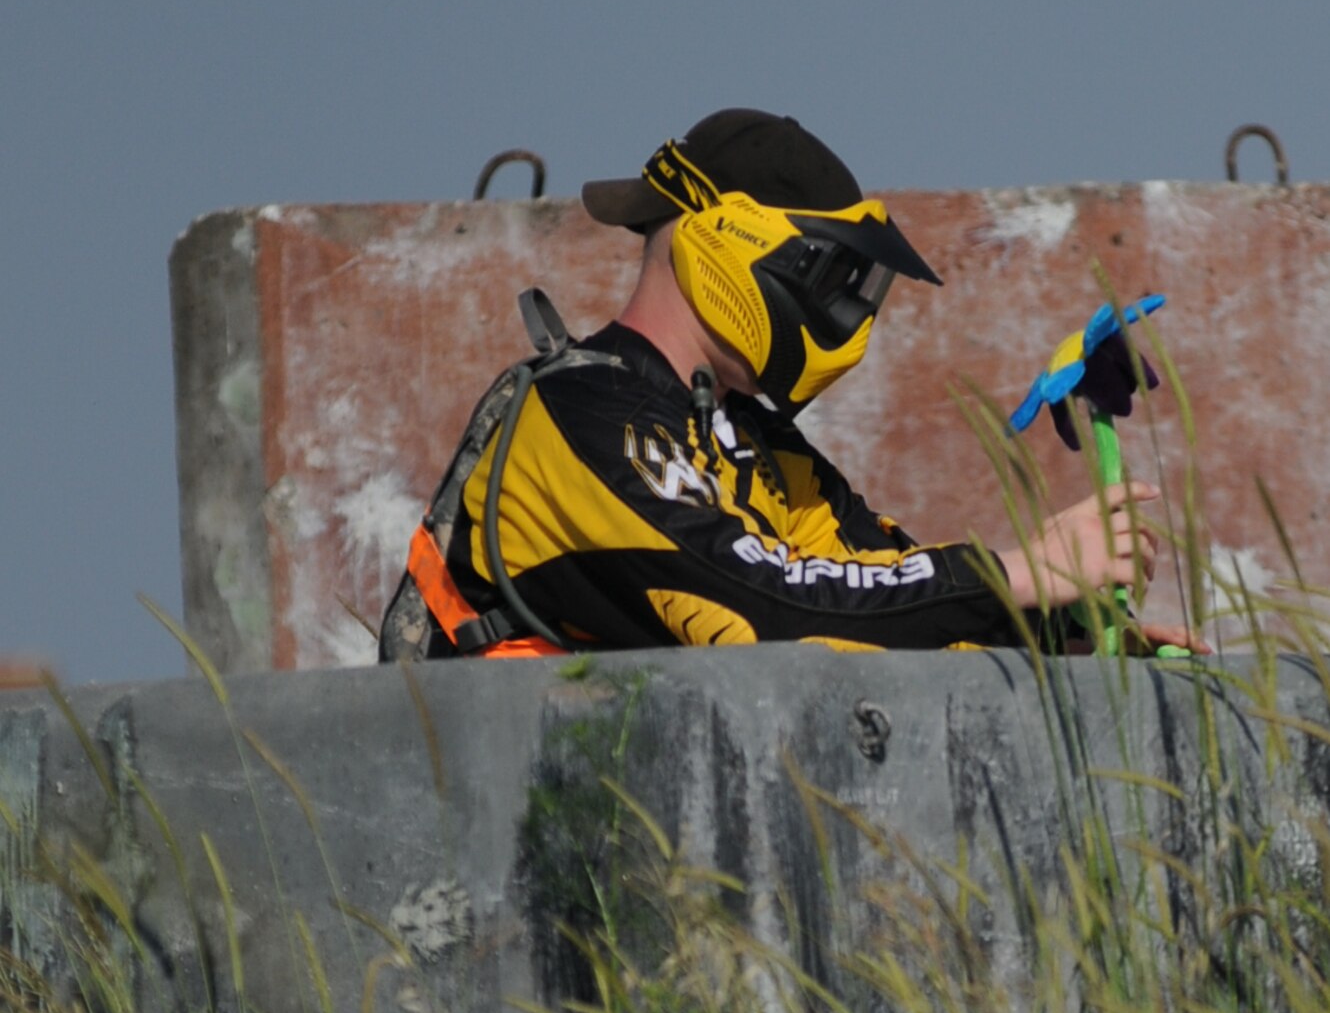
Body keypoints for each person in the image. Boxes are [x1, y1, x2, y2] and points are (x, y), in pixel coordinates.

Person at [379, 108, 1204, 662]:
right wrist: (1017, 573)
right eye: (838, 275)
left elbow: (879, 589)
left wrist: (1071, 634)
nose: (850, 311)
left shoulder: (756, 445)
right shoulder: (578, 417)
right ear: (732, 244)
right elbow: (760, 612)